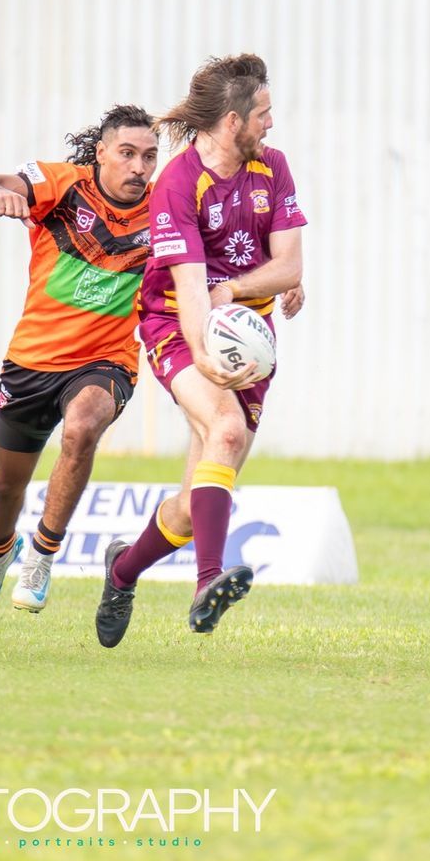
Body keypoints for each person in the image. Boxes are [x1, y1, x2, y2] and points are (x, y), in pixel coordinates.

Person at [95, 54, 307, 648]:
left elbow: (289, 265)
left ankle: (121, 571)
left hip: (250, 336)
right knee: (227, 429)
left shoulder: (273, 167)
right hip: (176, 326)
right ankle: (208, 581)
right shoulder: (179, 182)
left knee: (193, 507)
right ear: (232, 121)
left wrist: (236, 290)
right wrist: (203, 353)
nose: (271, 123)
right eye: (263, 114)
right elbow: (189, 289)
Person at [0, 105, 158, 620]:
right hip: (32, 360)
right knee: (6, 485)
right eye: (128, 154)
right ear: (101, 154)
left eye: (149, 157)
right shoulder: (61, 184)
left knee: (83, 427)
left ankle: (43, 555)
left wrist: (283, 278)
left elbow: (220, 249)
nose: (139, 167)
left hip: (106, 360)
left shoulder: (164, 210)